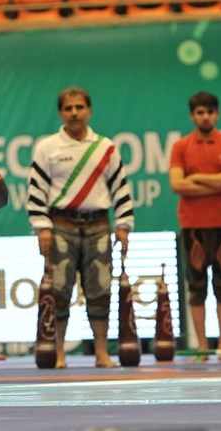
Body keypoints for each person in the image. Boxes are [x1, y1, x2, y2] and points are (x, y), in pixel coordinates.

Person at [26, 86, 134, 368]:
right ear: (61, 113)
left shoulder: (105, 147)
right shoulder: (47, 147)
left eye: (79, 107)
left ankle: (102, 353)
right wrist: (42, 227)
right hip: (60, 226)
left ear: (89, 111)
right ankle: (60, 353)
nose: (74, 113)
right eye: (68, 108)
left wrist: (123, 225)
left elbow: (121, 189)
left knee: (100, 291)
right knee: (59, 291)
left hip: (98, 225)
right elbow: (36, 191)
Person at [168, 91, 221, 358]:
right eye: (200, 112)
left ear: (217, 114)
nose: (205, 117)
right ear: (192, 115)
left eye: (210, 112)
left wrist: (196, 178)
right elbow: (177, 184)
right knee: (197, 288)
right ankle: (202, 346)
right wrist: (217, 182)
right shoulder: (181, 147)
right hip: (193, 226)